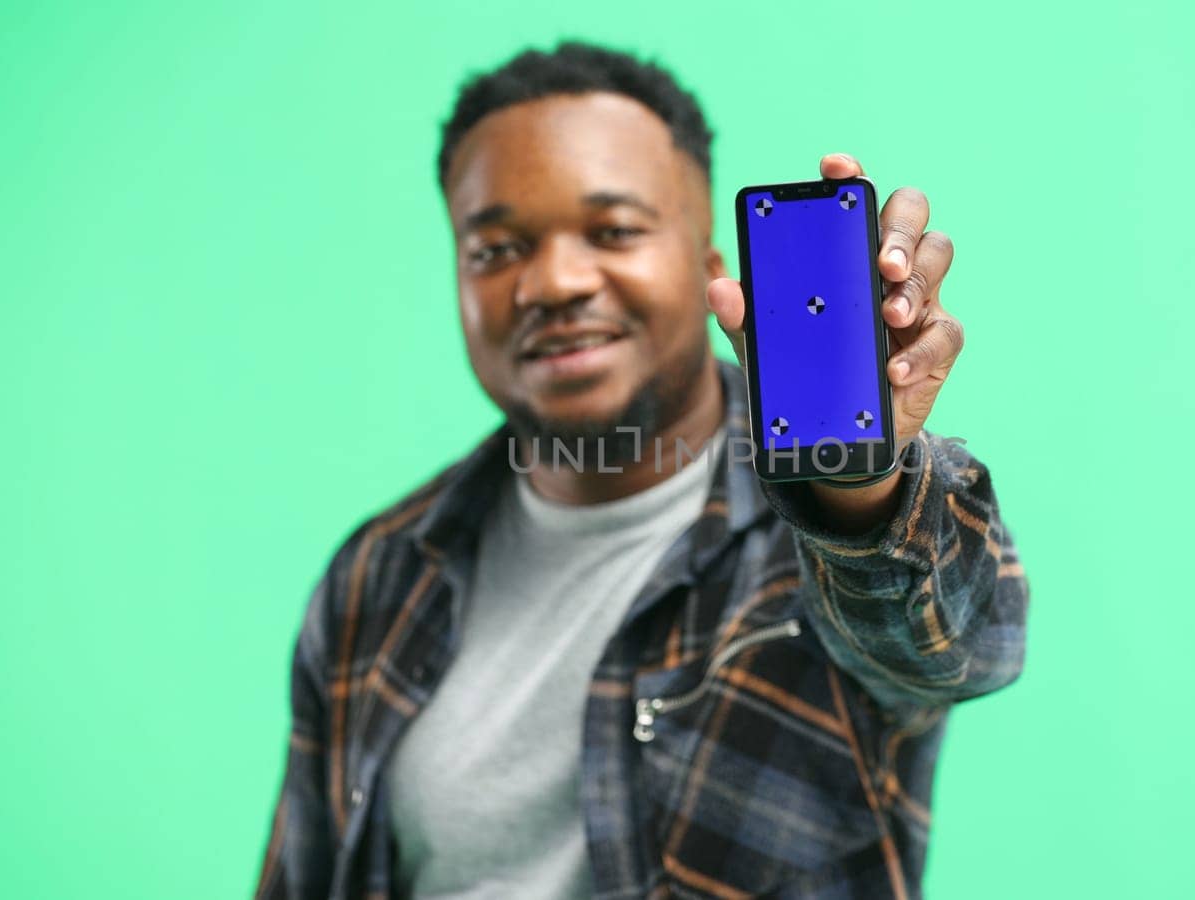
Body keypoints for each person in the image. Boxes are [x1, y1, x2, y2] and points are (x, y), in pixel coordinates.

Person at [254, 39, 1029, 900]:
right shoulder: (376, 576)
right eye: (494, 249)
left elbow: (967, 645)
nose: (551, 281)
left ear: (707, 268)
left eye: (613, 230)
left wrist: (858, 489)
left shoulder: (821, 541)